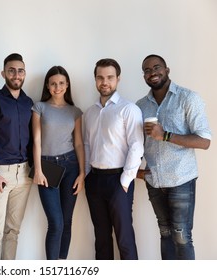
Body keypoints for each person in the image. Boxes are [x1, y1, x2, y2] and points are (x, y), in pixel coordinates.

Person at [136, 54, 212, 260]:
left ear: (167, 70)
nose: (152, 73)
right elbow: (135, 144)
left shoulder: (188, 98)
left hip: (181, 180)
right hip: (155, 181)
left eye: (156, 67)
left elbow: (204, 141)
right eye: (147, 70)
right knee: (165, 234)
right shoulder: (140, 106)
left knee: (181, 236)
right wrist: (136, 171)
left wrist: (165, 135)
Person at [83, 58, 144, 260]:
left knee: (124, 238)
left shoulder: (129, 109)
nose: (104, 82)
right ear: (95, 80)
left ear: (118, 79)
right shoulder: (90, 112)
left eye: (109, 77)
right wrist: (86, 175)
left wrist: (125, 181)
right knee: (101, 239)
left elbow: (137, 145)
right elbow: (87, 145)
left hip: (119, 180)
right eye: (100, 77)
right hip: (95, 180)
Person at [0, 53, 33, 260]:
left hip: (24, 175)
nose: (16, 75)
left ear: (24, 74)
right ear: (3, 73)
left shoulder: (29, 103)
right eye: (11, 70)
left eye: (20, 71)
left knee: (13, 232)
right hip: (0, 174)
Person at [31, 66, 85, 260]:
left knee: (67, 221)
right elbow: (36, 141)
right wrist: (37, 169)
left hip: (70, 165)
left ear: (67, 84)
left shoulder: (75, 112)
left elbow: (79, 143)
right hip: (46, 166)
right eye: (53, 83)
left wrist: (81, 173)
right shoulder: (39, 108)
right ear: (48, 85)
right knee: (56, 222)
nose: (57, 87)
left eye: (61, 83)